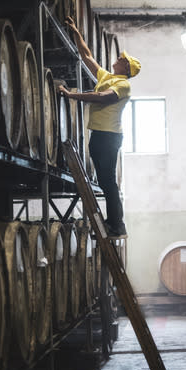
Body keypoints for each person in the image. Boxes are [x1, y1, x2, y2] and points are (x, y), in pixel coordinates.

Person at [58, 16, 140, 238]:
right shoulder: (108, 77)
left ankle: (117, 225)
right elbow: (87, 56)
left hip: (109, 136)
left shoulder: (123, 85)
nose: (118, 58)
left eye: (122, 59)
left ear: (126, 67)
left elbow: (101, 97)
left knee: (107, 182)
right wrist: (76, 31)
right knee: (105, 181)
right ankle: (113, 222)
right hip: (100, 135)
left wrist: (71, 95)